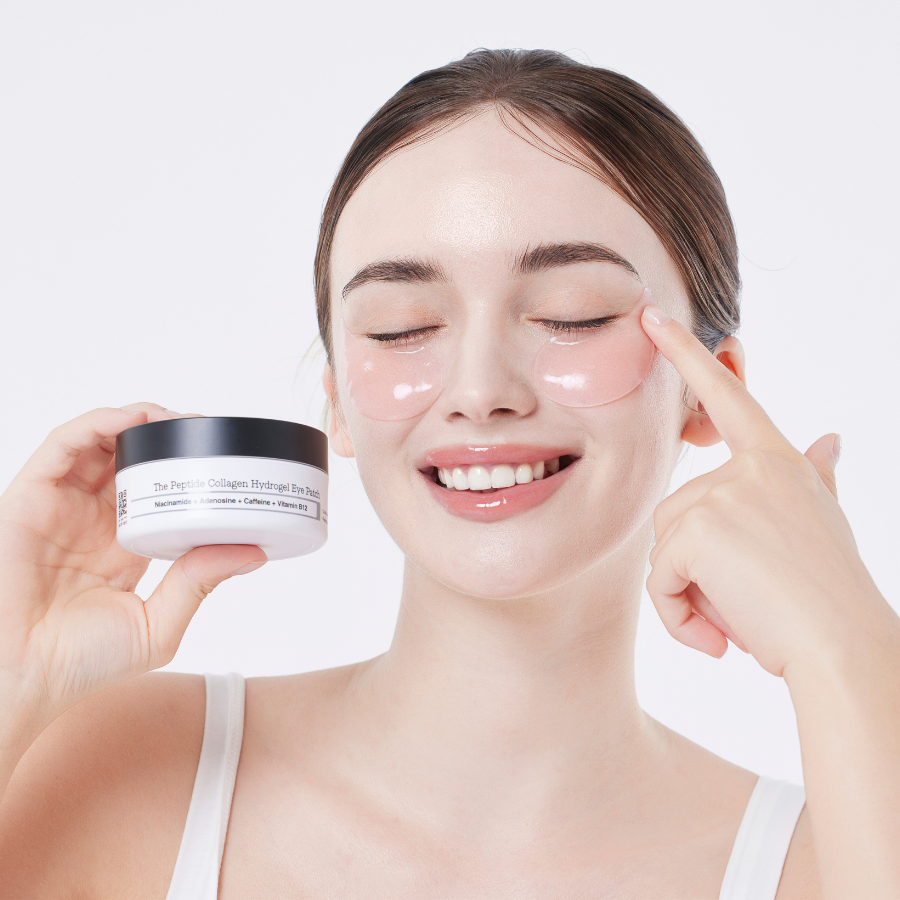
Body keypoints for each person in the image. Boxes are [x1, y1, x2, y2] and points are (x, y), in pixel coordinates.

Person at [0, 48, 897, 899]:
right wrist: (10, 677)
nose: (478, 391)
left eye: (573, 314)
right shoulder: (123, 772)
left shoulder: (834, 858)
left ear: (710, 390)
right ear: (338, 404)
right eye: (401, 327)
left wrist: (849, 645)